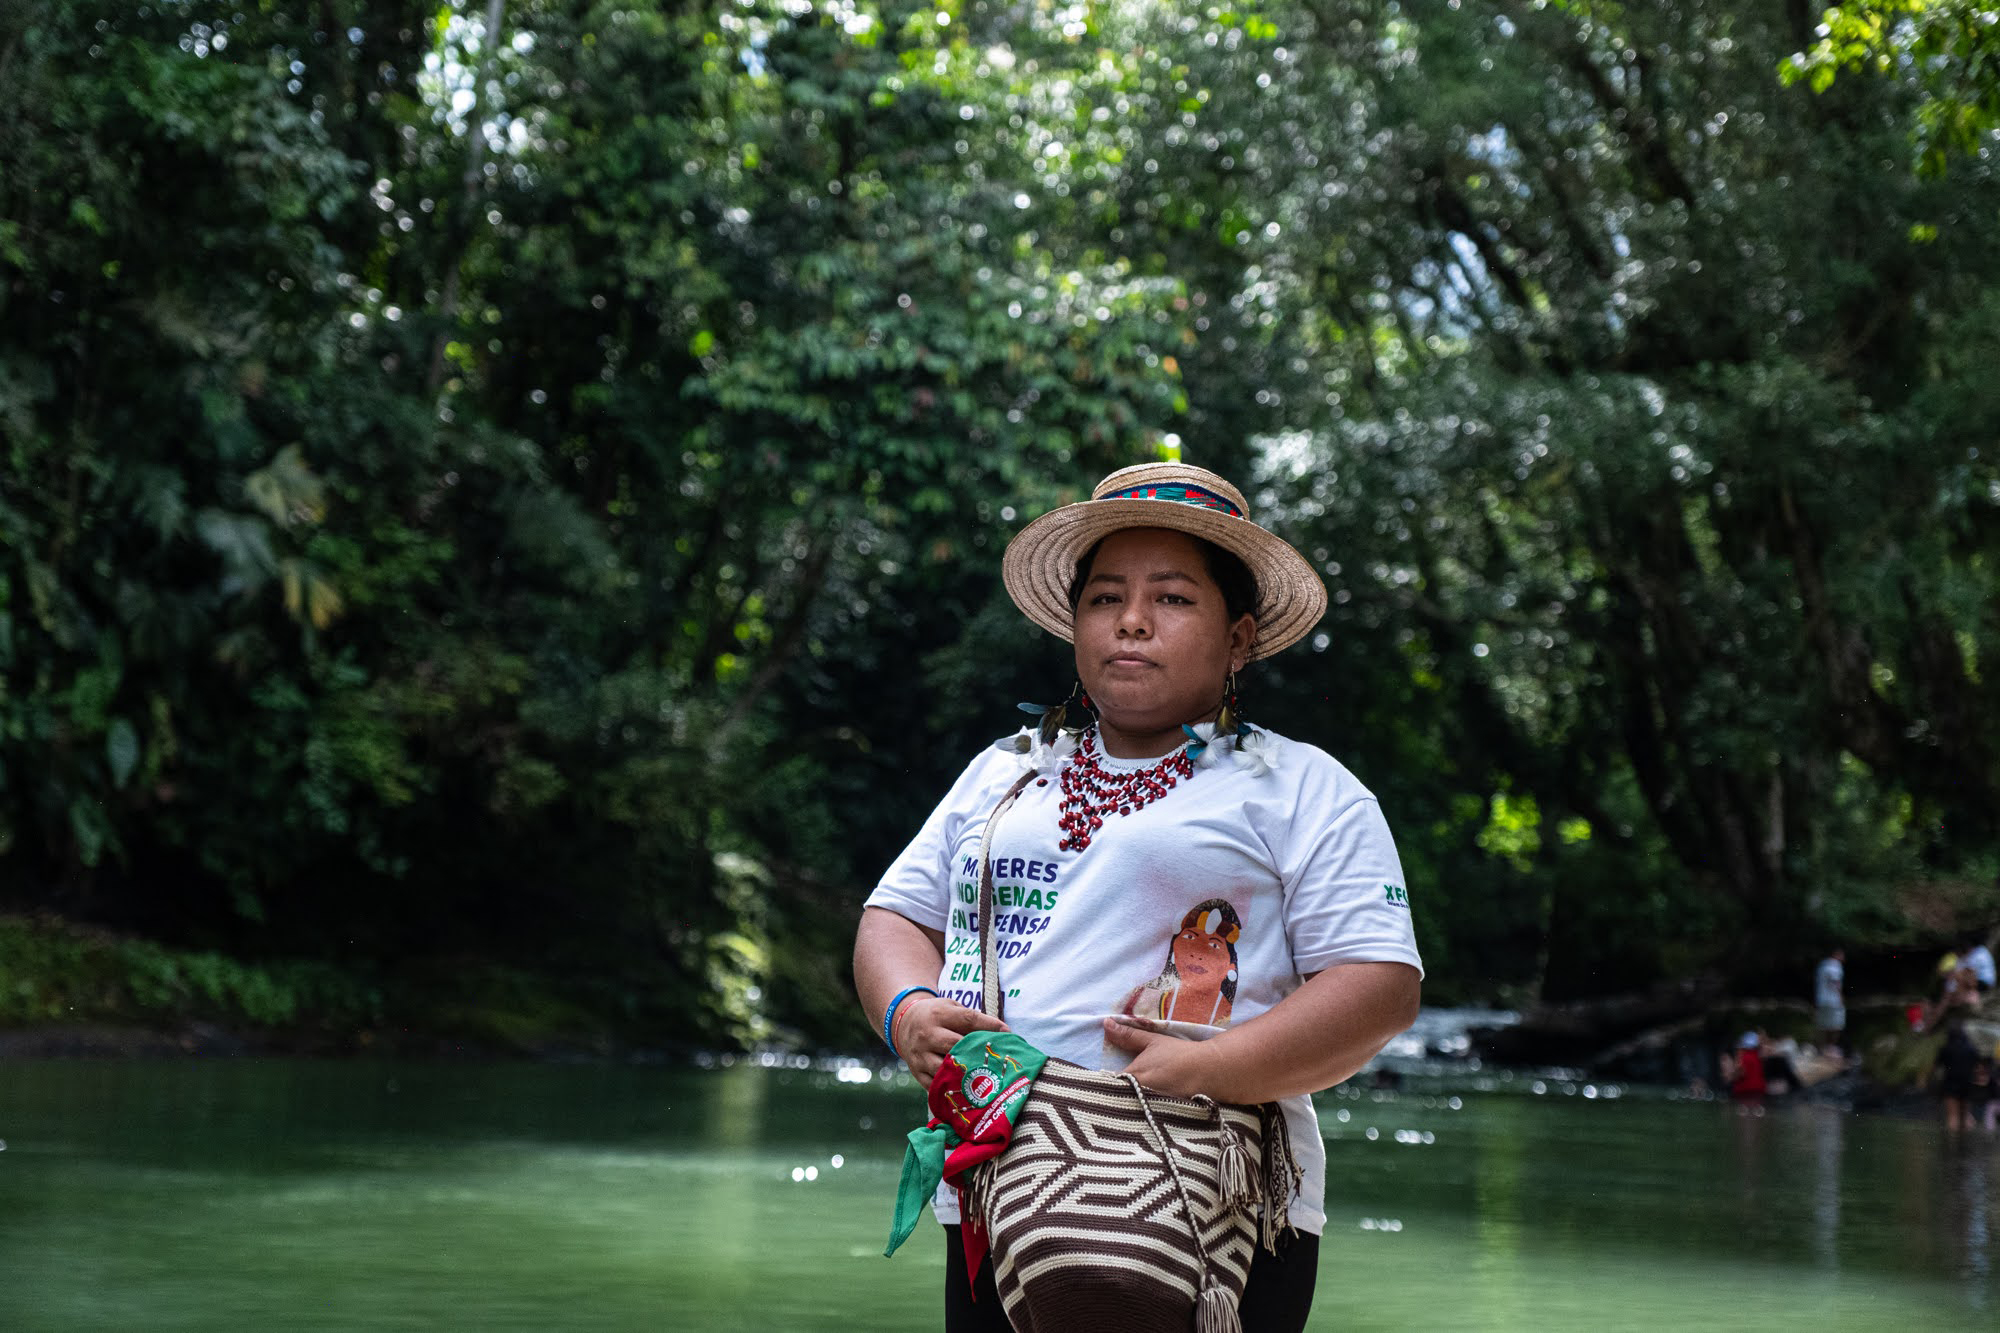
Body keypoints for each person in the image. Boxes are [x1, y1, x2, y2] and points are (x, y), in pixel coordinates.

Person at [854, 461, 1425, 1333]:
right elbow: (896, 914)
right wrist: (909, 1009)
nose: (1130, 620)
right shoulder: (1006, 771)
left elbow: (1379, 983)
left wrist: (1208, 1068)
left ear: (1238, 637)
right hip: (999, 1182)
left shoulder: (1302, 787)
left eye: (1172, 598)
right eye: (1105, 597)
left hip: (1208, 1195)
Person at [1938, 1013, 1979, 1132]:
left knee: (1952, 1117)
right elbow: (1976, 1065)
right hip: (1967, 1083)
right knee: (1966, 1116)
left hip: (1951, 1083)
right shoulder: (1971, 1048)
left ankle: (1953, 1147)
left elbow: (1938, 1065)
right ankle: (1968, 1145)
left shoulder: (1946, 1048)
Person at [1814, 947, 1846, 1057]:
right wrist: (1841, 997)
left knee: (1822, 1025)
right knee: (1836, 1025)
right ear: (1836, 954)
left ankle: (1821, 1048)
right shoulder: (1835, 965)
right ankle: (1831, 1048)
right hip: (1833, 1000)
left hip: (1821, 1000)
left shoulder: (1822, 965)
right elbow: (1835, 982)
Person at [1726, 1031, 1767, 1101]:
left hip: (1745, 1091)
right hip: (1759, 1089)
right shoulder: (1758, 1056)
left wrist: (1731, 1077)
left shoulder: (1744, 1057)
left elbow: (1741, 1073)